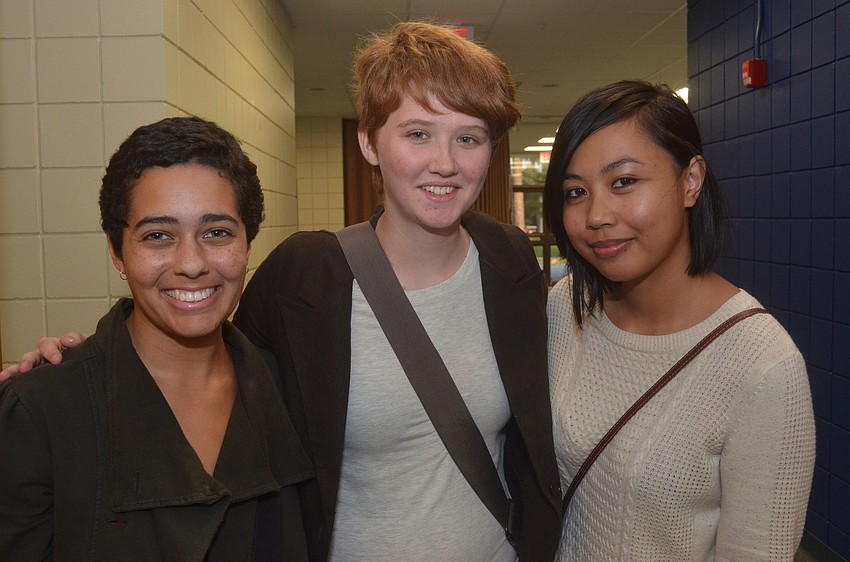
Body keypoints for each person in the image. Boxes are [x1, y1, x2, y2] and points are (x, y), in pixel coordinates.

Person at [1, 22, 562, 561]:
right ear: (369, 142)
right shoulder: (305, 277)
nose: (445, 162)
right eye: (418, 133)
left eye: (469, 138)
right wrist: (72, 372)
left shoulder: (508, 261)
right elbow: (201, 349)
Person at [0, 117, 313, 560]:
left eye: (217, 232)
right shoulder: (43, 411)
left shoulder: (291, 389)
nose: (190, 263)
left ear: (248, 244)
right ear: (116, 250)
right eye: (158, 236)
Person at [542, 80, 816, 561]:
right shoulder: (563, 309)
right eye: (575, 192)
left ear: (690, 180)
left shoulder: (763, 365)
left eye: (623, 181)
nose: (596, 215)